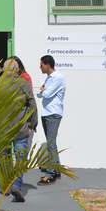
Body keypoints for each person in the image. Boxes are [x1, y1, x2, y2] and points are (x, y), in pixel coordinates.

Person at [2, 58, 38, 203]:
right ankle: (16, 185)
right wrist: (32, 123)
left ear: (4, 70)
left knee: (4, 159)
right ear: (17, 70)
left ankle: (6, 186)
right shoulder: (23, 84)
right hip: (21, 129)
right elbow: (32, 104)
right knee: (20, 158)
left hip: (3, 129)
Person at [37, 55, 65, 185]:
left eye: (41, 64)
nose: (40, 67)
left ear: (48, 65)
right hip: (46, 114)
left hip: (53, 114)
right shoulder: (49, 79)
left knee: (51, 143)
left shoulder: (58, 77)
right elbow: (40, 93)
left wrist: (43, 91)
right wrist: (43, 91)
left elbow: (46, 94)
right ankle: (56, 169)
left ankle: (51, 173)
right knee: (51, 143)